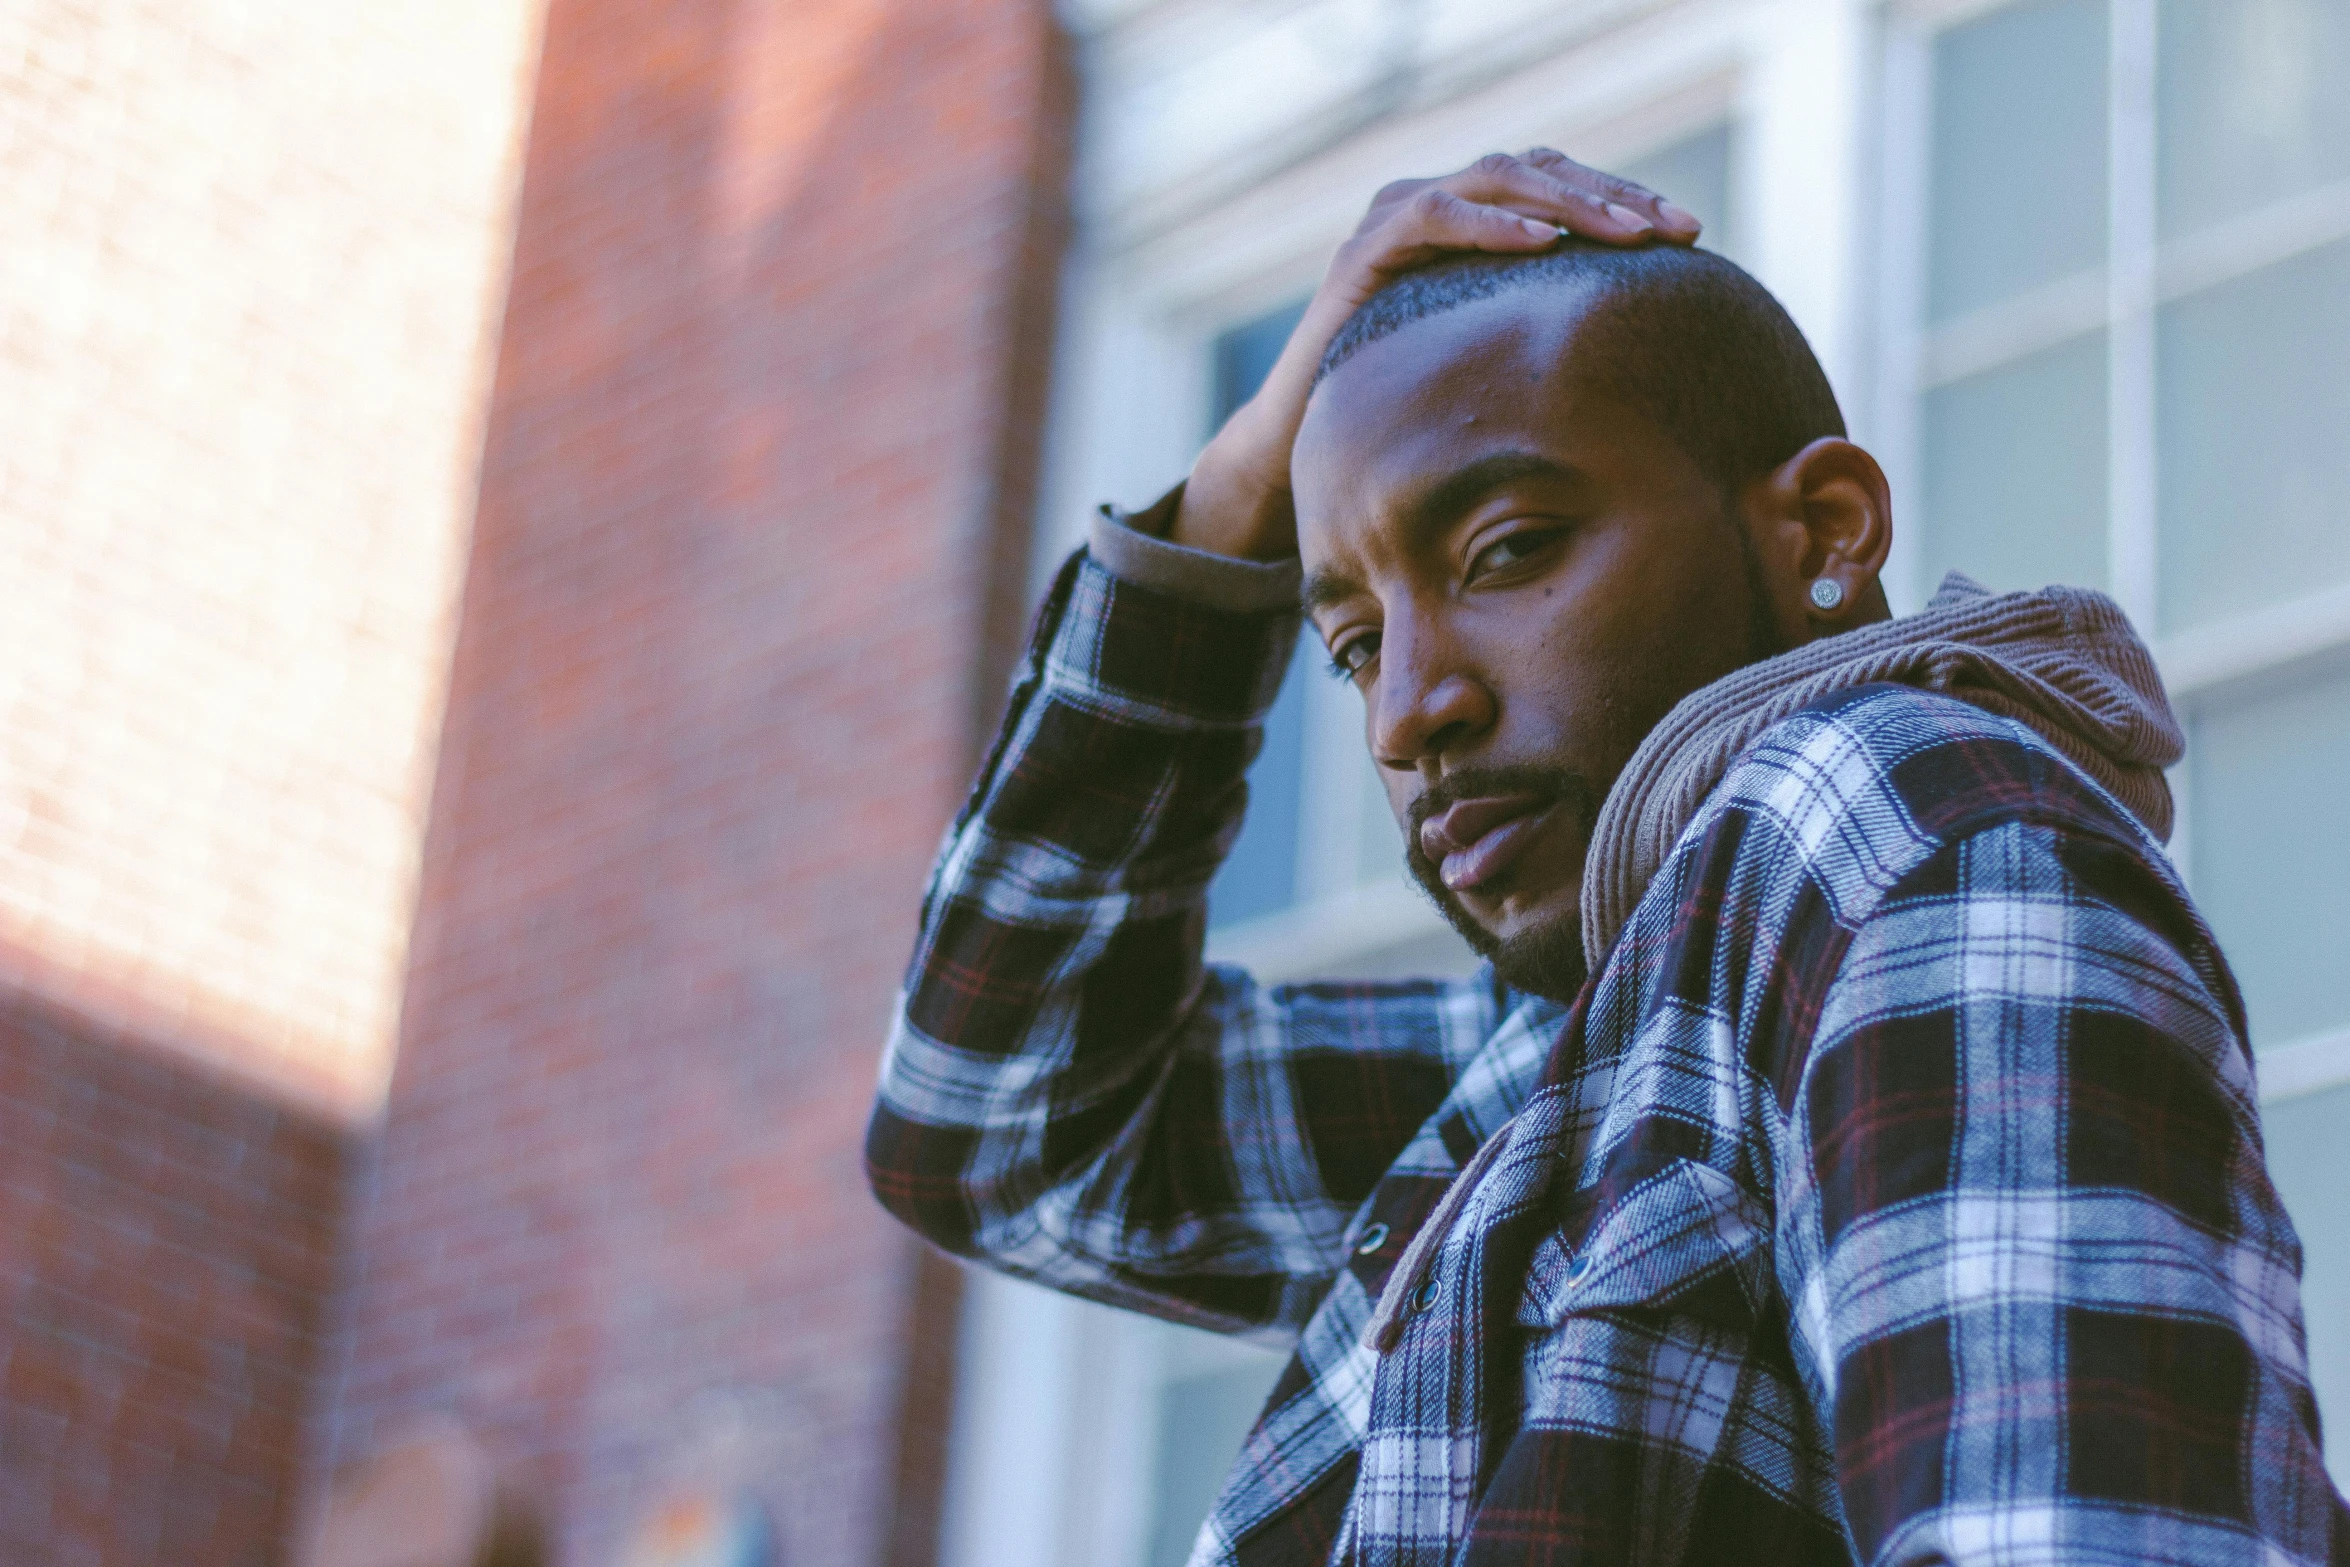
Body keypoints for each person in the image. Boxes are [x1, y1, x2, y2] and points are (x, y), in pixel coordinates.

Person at [866, 151, 2346, 1565]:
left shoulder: (1884, 826)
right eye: (1352, 643)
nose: (1405, 712)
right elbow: (1006, 1123)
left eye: (1505, 549)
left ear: (1821, 531)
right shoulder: (1571, 1061)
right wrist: (1233, 492)